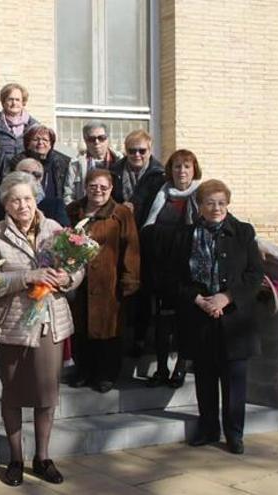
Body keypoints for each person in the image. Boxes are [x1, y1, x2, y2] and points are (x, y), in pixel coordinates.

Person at [0, 171, 84, 487]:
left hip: (49, 322)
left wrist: (68, 279)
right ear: (6, 205)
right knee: (12, 395)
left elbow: (77, 266)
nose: (22, 205)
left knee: (46, 395)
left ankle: (43, 457)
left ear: (35, 198)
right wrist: (27, 277)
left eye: (27, 198)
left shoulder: (53, 228)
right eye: (15, 200)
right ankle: (15, 458)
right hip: (12, 324)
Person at [152, 180, 263, 455]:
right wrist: (198, 299)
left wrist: (226, 297)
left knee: (234, 381)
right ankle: (208, 427)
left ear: (228, 204)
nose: (216, 208)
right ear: (199, 206)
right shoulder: (185, 236)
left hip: (234, 319)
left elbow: (254, 275)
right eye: (210, 203)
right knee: (205, 378)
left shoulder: (243, 232)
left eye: (221, 203)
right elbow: (173, 277)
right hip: (199, 317)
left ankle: (234, 433)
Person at [65, 169, 140, 393]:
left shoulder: (121, 213)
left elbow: (131, 246)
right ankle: (83, 371)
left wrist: (130, 279)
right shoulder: (73, 211)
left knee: (107, 328)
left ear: (111, 189)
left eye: (103, 187)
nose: (98, 191)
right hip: (79, 279)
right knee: (81, 326)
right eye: (93, 186)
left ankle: (106, 374)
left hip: (109, 280)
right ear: (86, 187)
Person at [142, 149, 203, 388]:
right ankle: (161, 368)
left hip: (188, 268)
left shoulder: (200, 193)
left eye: (186, 166)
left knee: (185, 319)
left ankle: (180, 367)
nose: (182, 171)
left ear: (194, 169)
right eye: (177, 166)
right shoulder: (163, 193)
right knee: (162, 320)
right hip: (163, 267)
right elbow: (149, 227)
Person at [109, 129, 165, 357]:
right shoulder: (115, 172)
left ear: (150, 149)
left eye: (142, 150)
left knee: (143, 292)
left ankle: (140, 339)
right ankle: (119, 337)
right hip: (119, 239)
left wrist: (134, 206)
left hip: (146, 240)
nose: (137, 155)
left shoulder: (159, 174)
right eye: (132, 151)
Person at [8, 125, 71, 202]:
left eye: (45, 140)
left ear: (50, 145)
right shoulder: (18, 162)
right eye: (35, 139)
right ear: (27, 144)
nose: (40, 142)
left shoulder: (59, 162)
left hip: (54, 208)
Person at [63, 121, 120, 205]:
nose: (96, 142)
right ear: (85, 141)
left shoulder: (119, 161)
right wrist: (76, 214)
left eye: (101, 138)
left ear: (107, 139)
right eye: (91, 139)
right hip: (84, 213)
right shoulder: (76, 164)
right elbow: (68, 194)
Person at [0, 83, 38, 168]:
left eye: (17, 100)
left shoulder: (34, 127)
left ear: (23, 102)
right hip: (0, 174)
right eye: (10, 99)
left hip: (25, 174)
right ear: (3, 101)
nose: (14, 103)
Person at [12, 158, 70, 227]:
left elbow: (65, 233)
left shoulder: (56, 206)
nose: (30, 178)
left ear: (41, 178)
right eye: (25, 173)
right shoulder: (5, 202)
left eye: (36, 175)